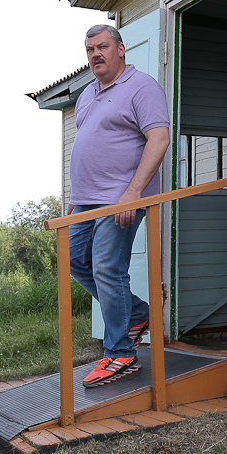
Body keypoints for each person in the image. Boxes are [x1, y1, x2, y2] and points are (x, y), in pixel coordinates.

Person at [68, 24, 171, 388]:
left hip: (121, 197)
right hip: (86, 201)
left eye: (102, 47)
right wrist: (74, 200)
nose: (96, 54)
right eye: (90, 50)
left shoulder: (141, 87)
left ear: (121, 49)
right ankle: (138, 313)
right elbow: (90, 146)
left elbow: (159, 139)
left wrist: (133, 194)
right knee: (77, 262)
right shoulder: (86, 95)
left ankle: (120, 354)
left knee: (108, 268)